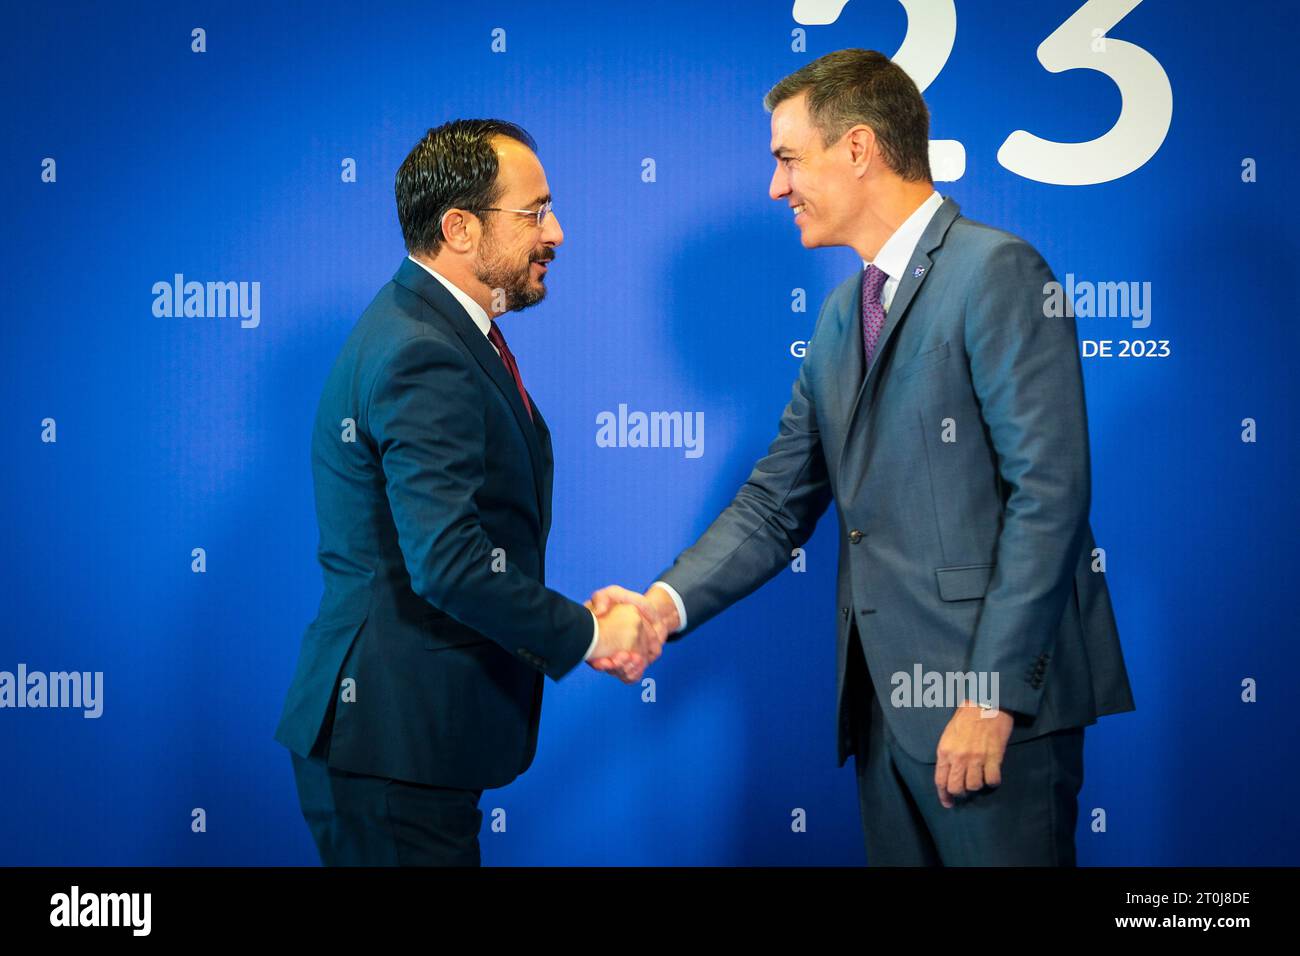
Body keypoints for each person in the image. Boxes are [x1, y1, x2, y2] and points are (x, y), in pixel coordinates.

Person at [591, 49, 1135, 866]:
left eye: (786, 158)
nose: (777, 186)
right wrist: (662, 607)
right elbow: (776, 504)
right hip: (884, 718)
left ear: (857, 148)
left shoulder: (997, 273)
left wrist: (990, 696)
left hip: (991, 718)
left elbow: (1048, 496)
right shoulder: (847, 312)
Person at [275, 119, 661, 866]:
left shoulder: (431, 330)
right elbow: (448, 561)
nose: (557, 233)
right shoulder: (423, 351)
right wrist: (584, 634)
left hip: (404, 744)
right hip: (391, 745)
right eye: (535, 212)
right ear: (459, 228)